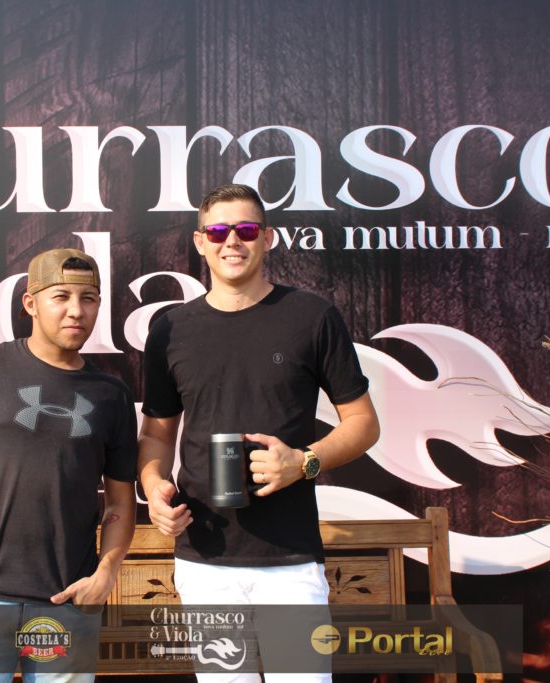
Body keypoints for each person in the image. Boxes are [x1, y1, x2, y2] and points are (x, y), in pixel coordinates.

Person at [138, 184, 380, 683]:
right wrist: (152, 485)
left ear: (267, 238)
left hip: (290, 561)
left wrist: (303, 462)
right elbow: (157, 435)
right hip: (206, 561)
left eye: (246, 229)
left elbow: (363, 423)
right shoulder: (171, 329)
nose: (233, 241)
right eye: (218, 231)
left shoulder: (312, 316)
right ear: (200, 242)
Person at [0, 248, 138, 683]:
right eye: (61, 296)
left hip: (66, 603)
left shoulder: (111, 394)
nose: (76, 310)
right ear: (30, 303)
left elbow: (120, 501)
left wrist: (105, 573)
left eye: (88, 298)